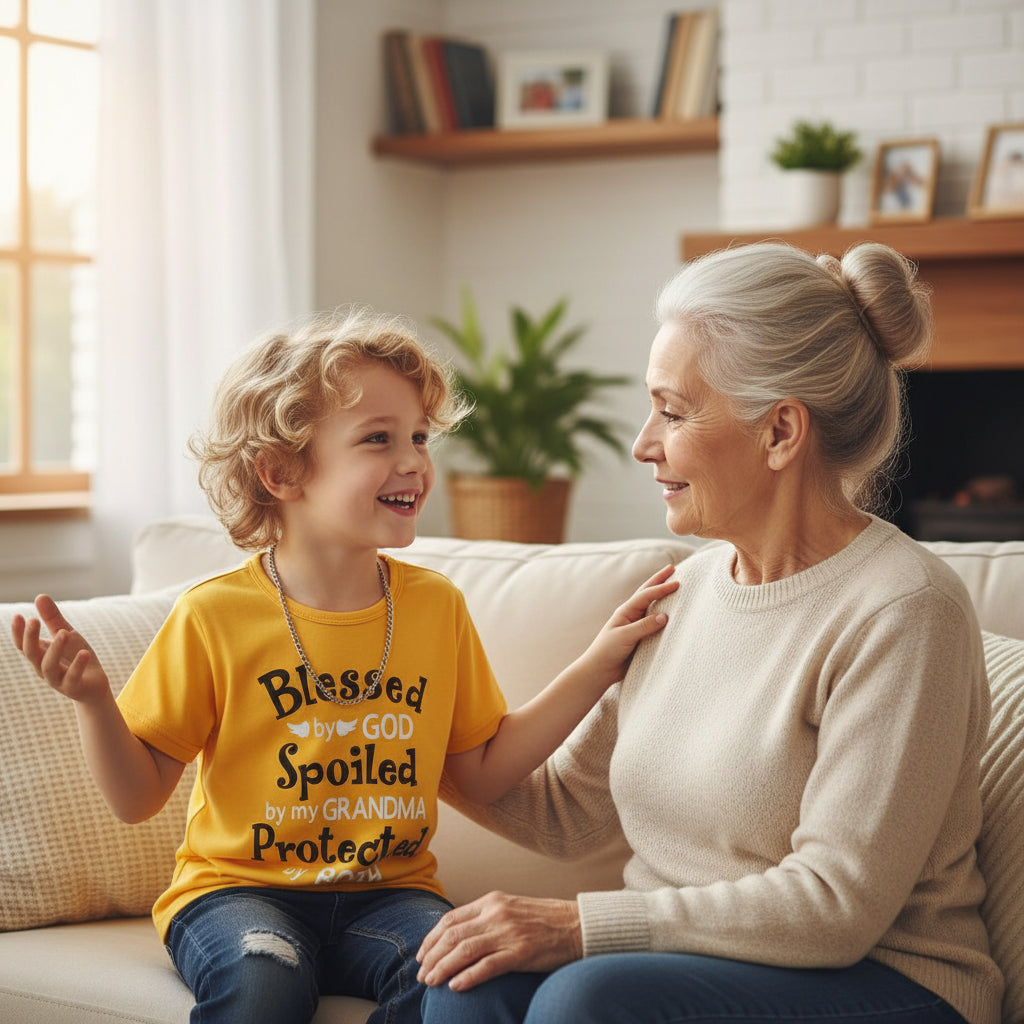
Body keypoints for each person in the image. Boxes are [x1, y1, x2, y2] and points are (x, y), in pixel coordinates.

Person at [11, 307, 677, 1024]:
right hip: (237, 895)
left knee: (470, 979)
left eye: (420, 437)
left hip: (390, 895)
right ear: (281, 470)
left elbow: (482, 768)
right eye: (378, 439)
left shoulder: (435, 607)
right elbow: (136, 798)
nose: (415, 461)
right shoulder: (214, 614)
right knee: (267, 984)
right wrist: (92, 703)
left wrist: (598, 664)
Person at [415, 242, 1003, 1024]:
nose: (642, 443)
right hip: (681, 970)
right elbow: (561, 810)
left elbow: (837, 905)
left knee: (584, 999)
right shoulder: (686, 592)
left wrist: (582, 926)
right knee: (466, 981)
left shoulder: (903, 610)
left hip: (888, 981)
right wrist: (396, 726)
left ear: (781, 432)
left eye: (673, 410)